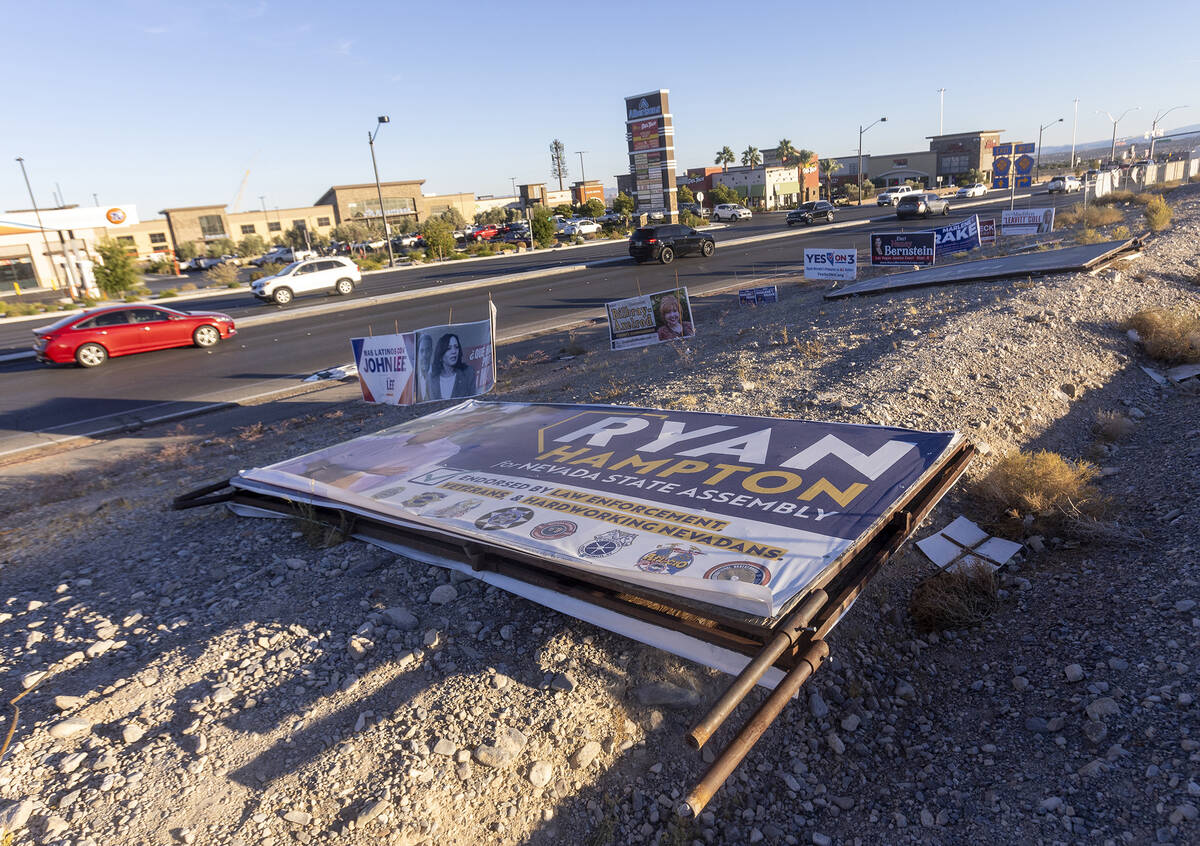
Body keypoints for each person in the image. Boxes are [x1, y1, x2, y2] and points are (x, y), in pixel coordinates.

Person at [428, 332, 475, 400]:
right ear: (441, 353)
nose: (454, 351)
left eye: (456, 347)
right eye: (449, 348)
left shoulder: (468, 373)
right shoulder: (432, 379)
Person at [415, 333, 434, 403]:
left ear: (431, 351)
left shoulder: (439, 374)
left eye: (427, 350)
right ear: (418, 353)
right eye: (422, 351)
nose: (425, 355)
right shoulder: (413, 377)